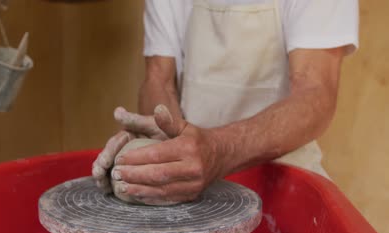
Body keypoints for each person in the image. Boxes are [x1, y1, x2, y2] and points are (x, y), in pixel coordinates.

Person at [92, 0, 359, 205]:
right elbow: (158, 80)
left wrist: (218, 150)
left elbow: (315, 93)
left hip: (286, 179)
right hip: (192, 180)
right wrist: (164, 150)